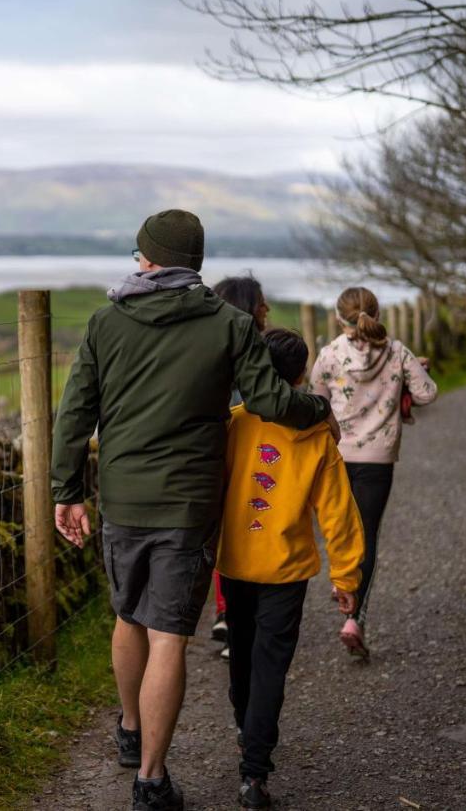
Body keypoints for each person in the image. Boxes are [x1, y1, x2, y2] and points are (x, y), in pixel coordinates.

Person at [51, 209, 338, 811]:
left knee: (128, 617)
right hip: (188, 504)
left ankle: (131, 729)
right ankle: (151, 781)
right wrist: (316, 410)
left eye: (140, 254)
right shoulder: (230, 324)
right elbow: (266, 398)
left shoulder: (107, 322)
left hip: (124, 496)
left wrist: (66, 491)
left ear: (152, 260)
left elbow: (75, 412)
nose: (136, 263)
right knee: (168, 637)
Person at [217, 327, 365, 809]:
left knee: (241, 653)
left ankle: (246, 730)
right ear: (302, 375)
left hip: (235, 562)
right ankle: (254, 773)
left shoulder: (235, 424)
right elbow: (339, 514)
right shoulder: (316, 434)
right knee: (270, 666)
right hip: (287, 570)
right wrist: (347, 578)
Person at [310, 287, 438, 659]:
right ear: (376, 315)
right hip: (378, 459)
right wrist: (416, 372)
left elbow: (316, 402)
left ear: (339, 318)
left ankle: (340, 581)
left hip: (335, 456)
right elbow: (427, 394)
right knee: (367, 535)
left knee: (336, 527)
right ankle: (355, 620)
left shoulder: (330, 355)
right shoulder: (397, 352)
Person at [209, 275, 271, 659]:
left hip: (215, 456)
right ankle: (237, 615)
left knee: (226, 535)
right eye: (262, 302)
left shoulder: (207, 349)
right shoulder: (260, 351)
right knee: (248, 532)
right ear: (248, 308)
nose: (267, 309)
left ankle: (226, 612)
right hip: (252, 458)